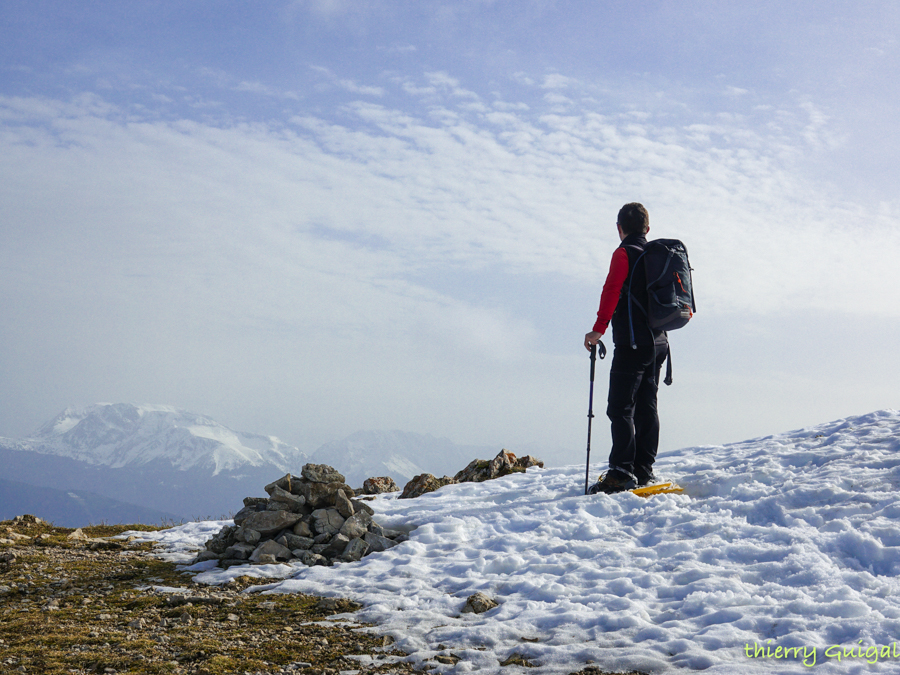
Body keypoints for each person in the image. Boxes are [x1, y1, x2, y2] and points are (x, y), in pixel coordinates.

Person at [584, 202, 669, 493]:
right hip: (659, 343)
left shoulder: (623, 254)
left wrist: (598, 329)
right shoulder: (658, 254)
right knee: (647, 406)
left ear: (619, 228)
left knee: (620, 408)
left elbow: (611, 290)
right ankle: (643, 469)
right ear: (647, 228)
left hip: (632, 344)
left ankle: (621, 473)